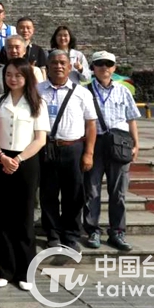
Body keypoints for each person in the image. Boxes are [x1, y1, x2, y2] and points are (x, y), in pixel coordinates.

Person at [0, 58, 49, 290]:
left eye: (18, 75)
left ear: (27, 77)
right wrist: (2, 156)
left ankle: (25, 272)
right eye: (9, 74)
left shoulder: (37, 103)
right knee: (4, 217)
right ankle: (5, 270)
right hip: (1, 159)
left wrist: (18, 159)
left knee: (24, 218)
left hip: (26, 161)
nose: (13, 79)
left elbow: (40, 139)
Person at [37, 50, 98, 253]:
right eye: (54, 63)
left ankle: (71, 234)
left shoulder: (82, 92)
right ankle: (52, 234)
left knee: (74, 194)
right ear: (47, 67)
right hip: (46, 148)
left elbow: (91, 124)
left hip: (73, 149)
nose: (59, 66)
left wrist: (89, 153)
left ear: (70, 67)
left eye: (63, 63)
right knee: (48, 194)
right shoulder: (37, 90)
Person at [83, 51, 141, 252]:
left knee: (118, 191)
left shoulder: (123, 91)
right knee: (92, 190)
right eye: (99, 64)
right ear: (93, 67)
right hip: (95, 142)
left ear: (114, 68)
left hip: (119, 143)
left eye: (108, 64)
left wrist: (136, 144)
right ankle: (93, 230)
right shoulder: (85, 91)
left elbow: (131, 119)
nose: (104, 68)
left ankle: (117, 231)